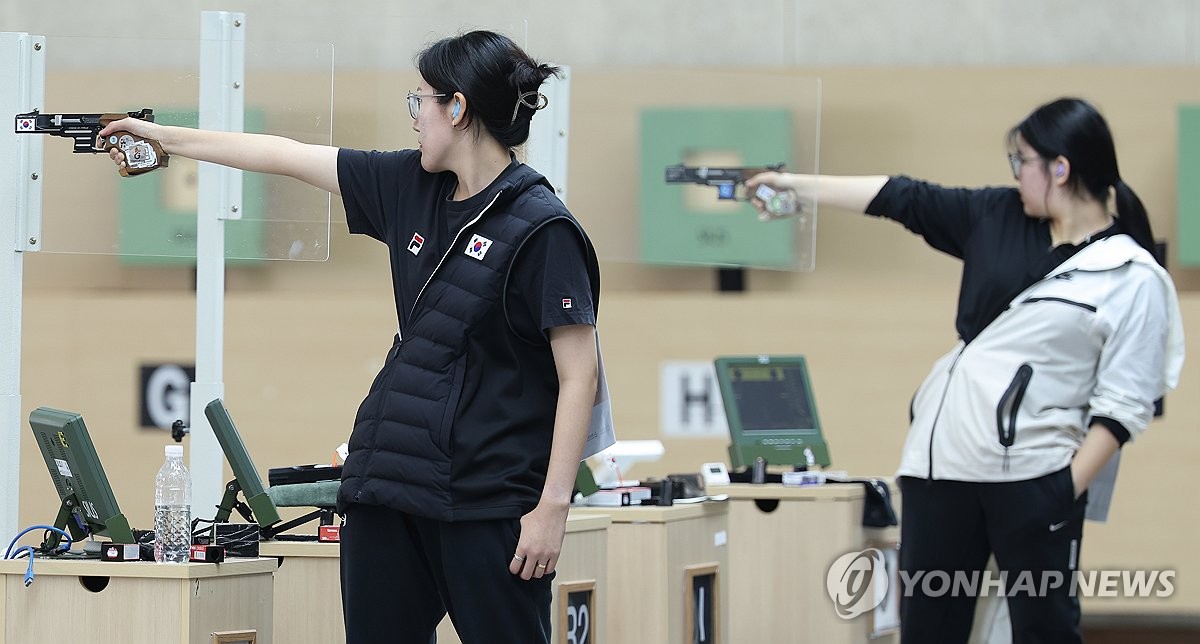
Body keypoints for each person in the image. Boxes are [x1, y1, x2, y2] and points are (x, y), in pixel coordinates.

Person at [103, 30, 602, 644]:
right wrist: (164, 138)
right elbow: (282, 153)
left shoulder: (543, 229)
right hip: (386, 487)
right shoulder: (409, 183)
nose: (414, 116)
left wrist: (553, 507)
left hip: (486, 502)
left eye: (419, 101)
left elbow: (580, 374)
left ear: (459, 108)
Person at [746, 97, 1184, 643]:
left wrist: (1058, 492)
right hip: (941, 469)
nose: (1016, 174)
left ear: (1060, 168)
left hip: (1035, 476)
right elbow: (902, 197)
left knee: (1043, 631)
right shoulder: (995, 216)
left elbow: (1124, 406)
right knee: (930, 630)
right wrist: (795, 186)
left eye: (1021, 160)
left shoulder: (1131, 274)